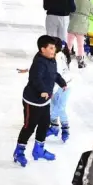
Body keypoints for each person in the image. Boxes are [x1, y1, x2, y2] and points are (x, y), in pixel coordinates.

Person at [12, 36, 67, 167]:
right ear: (43, 49)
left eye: (54, 48)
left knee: (44, 124)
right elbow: (35, 78)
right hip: (33, 101)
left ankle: (38, 150)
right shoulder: (39, 63)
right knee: (29, 127)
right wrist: (42, 90)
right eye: (51, 48)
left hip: (44, 101)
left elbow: (53, 74)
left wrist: (61, 82)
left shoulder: (51, 60)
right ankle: (19, 151)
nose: (54, 50)